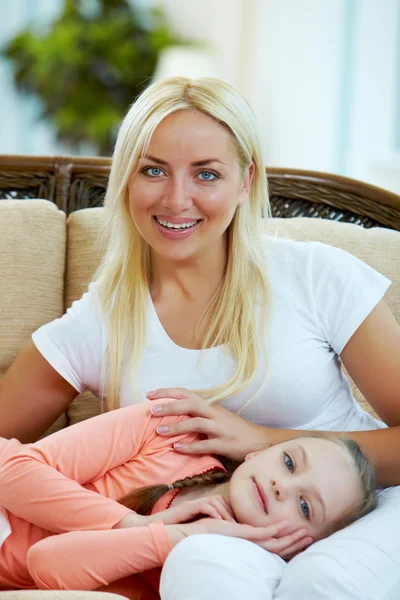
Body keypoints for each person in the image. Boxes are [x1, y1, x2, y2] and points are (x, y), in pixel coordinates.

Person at [0, 75, 399, 600]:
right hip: (221, 535)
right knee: (198, 570)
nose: (177, 199)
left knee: (321, 583)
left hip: (369, 510)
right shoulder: (103, 319)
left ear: (245, 182)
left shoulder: (317, 276)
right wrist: (138, 529)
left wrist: (261, 441)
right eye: (153, 170)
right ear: (126, 179)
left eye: (206, 174)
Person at [0, 399, 376, 598]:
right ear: (257, 452)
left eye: (305, 506)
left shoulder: (196, 571)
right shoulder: (169, 434)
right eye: (289, 462)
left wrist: (173, 538)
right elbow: (10, 469)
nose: (283, 487)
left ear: (300, 545)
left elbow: (45, 563)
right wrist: (133, 522)